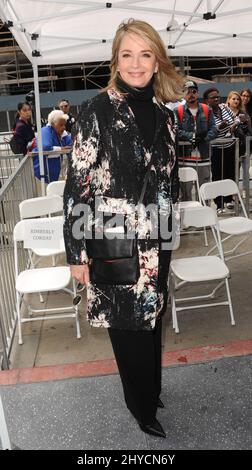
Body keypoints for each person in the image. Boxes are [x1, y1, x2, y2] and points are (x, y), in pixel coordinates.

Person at [63, 19, 183, 438]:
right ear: (116, 60)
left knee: (152, 319)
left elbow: (168, 181)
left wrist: (169, 235)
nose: (136, 64)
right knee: (128, 327)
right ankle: (141, 405)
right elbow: (77, 184)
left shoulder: (167, 118)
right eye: (127, 54)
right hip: (113, 236)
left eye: (145, 54)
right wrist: (76, 253)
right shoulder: (96, 109)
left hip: (157, 238)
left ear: (157, 61)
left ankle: (150, 388)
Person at [175, 80, 218, 200]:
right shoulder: (178, 111)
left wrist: (204, 138)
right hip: (185, 158)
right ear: (183, 94)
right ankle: (188, 218)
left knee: (204, 192)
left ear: (197, 93)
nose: (191, 94)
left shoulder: (206, 109)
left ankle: (205, 216)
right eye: (187, 92)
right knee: (186, 193)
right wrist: (192, 137)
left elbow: (214, 129)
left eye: (193, 91)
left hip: (203, 157)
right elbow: (176, 130)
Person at [203, 87, 237, 212]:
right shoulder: (206, 112)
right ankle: (219, 203)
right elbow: (209, 132)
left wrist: (234, 124)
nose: (216, 99)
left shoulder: (225, 107)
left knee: (229, 174)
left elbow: (235, 119)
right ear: (207, 100)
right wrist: (221, 127)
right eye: (213, 97)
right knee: (217, 176)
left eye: (217, 96)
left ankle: (229, 200)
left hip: (229, 146)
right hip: (216, 148)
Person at [32, 110, 72, 183]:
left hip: (56, 174)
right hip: (43, 177)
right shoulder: (45, 131)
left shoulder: (62, 133)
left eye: (64, 125)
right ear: (53, 124)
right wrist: (61, 149)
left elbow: (71, 144)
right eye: (61, 125)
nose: (63, 127)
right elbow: (45, 147)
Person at [226, 91, 252, 198]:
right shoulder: (224, 112)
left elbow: (249, 131)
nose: (236, 101)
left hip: (242, 146)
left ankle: (244, 191)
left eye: (237, 99)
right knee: (231, 171)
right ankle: (231, 194)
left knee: (245, 170)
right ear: (229, 100)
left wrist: (244, 124)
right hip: (227, 146)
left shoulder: (243, 113)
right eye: (234, 99)